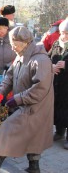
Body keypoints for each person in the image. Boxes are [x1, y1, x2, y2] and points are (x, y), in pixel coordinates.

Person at [0, 26, 54, 173]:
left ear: (26, 42)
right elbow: (9, 77)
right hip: (25, 103)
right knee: (33, 136)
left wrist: (17, 99)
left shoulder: (41, 60)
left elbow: (40, 88)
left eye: (15, 44)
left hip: (36, 106)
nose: (12, 47)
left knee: (9, 126)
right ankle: (34, 168)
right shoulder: (20, 55)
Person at [48, 19, 68, 149]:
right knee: (58, 109)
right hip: (57, 84)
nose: (64, 36)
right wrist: (52, 66)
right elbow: (48, 58)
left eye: (67, 33)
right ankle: (59, 132)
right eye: (62, 33)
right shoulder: (56, 43)